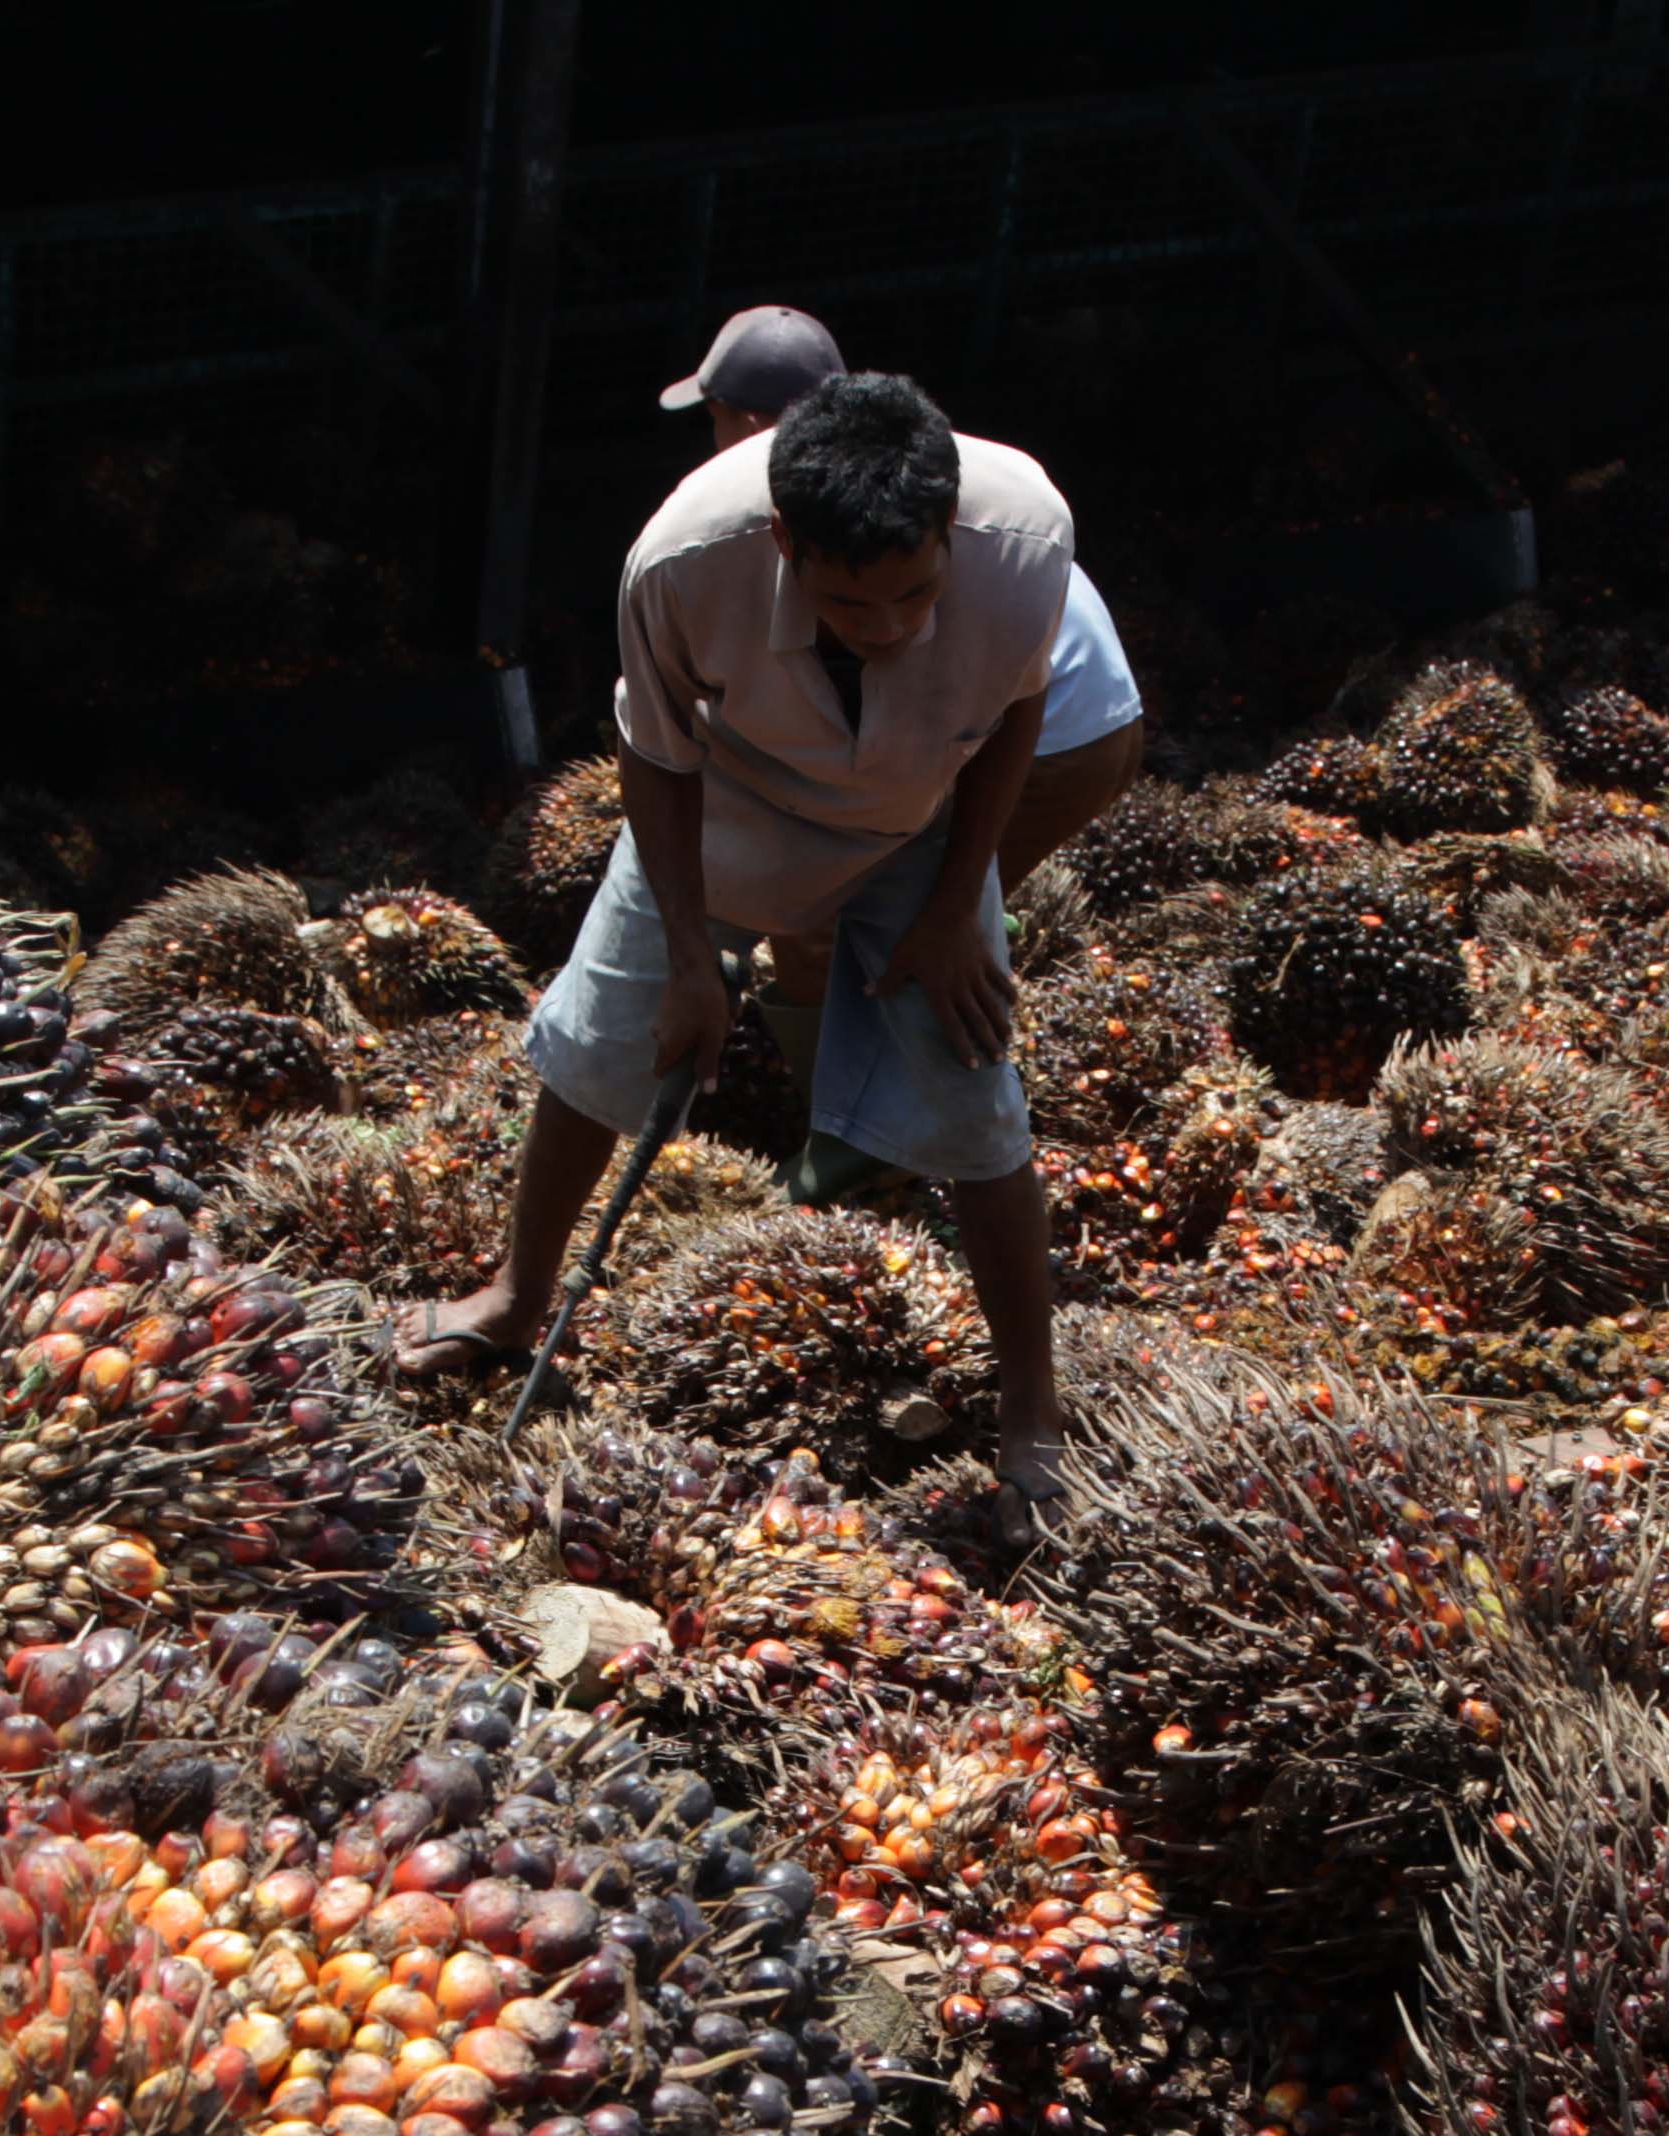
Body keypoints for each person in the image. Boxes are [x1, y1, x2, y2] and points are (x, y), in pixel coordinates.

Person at [400, 370, 1079, 1534]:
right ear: (782, 540)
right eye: (850, 608)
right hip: (727, 805)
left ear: (946, 532)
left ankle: (1033, 1416)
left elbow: (1021, 713)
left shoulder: (1022, 533)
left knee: (978, 1100)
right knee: (597, 1045)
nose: (889, 628)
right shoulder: (678, 562)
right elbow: (656, 759)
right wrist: (683, 956)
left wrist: (959, 900)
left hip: (921, 818)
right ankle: (517, 1297)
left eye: (915, 595)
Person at [664, 305, 1148, 886]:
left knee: (886, 917)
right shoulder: (881, 474)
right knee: (908, 914)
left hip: (1058, 732)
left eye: (715, 422)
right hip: (1091, 713)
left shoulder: (848, 520)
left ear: (749, 430)